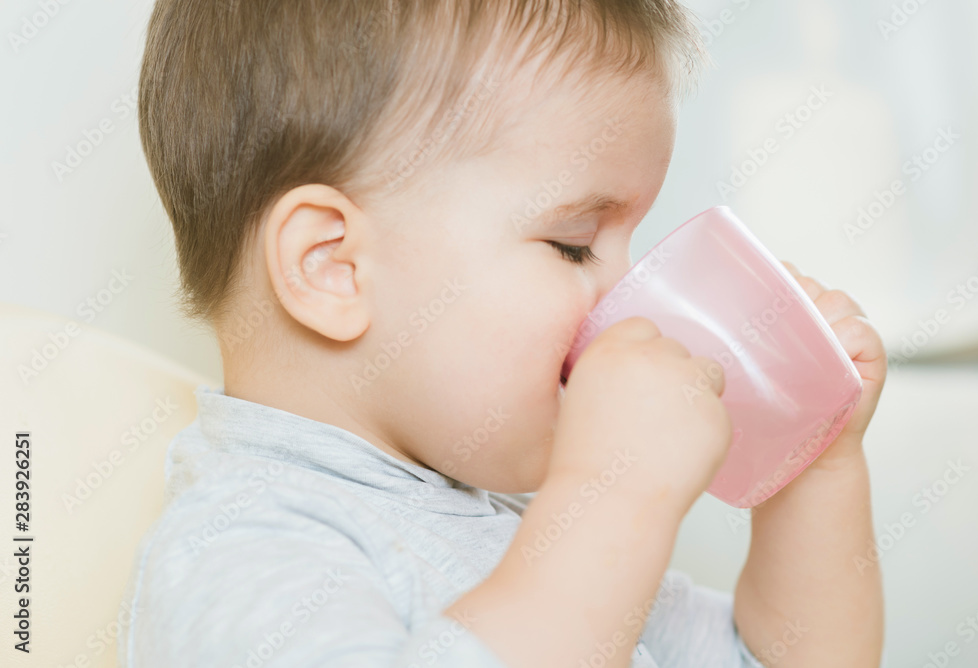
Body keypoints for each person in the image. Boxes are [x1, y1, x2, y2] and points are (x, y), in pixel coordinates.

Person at [119, 1, 888, 666]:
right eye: (574, 243)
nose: (628, 295)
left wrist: (813, 469)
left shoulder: (505, 525)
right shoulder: (243, 551)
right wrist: (611, 495)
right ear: (335, 268)